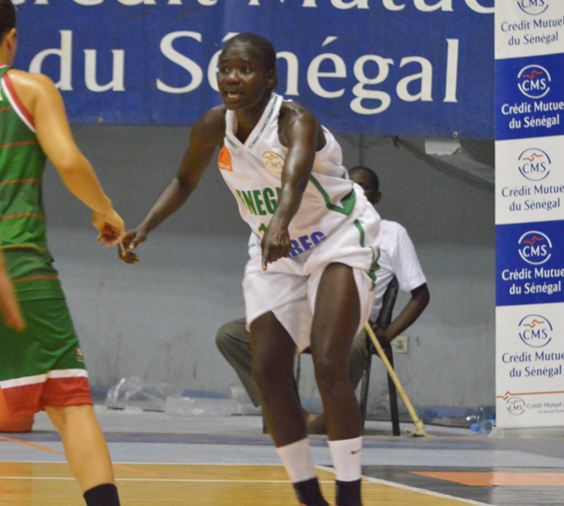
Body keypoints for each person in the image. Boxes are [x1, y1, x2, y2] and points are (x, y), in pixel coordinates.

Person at [120, 33, 380, 506]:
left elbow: (295, 176)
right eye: (224, 69)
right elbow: (183, 180)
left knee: (327, 363)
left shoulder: (294, 120)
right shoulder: (212, 126)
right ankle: (308, 496)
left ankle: (349, 496)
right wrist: (144, 227)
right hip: (274, 248)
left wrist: (280, 221)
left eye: (243, 69)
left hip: (336, 236)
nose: (230, 78)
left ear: (270, 77)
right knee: (266, 368)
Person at [0, 2, 124, 504]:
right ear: (10, 39)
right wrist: (104, 210)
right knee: (69, 404)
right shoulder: (28, 89)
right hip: (18, 263)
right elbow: (69, 161)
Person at [216, 166, 430, 434]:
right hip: (304, 314)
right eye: (346, 185)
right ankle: (288, 408)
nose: (352, 191)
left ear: (376, 197)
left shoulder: (392, 233)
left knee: (351, 348)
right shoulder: (320, 226)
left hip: (353, 322)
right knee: (231, 335)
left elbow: (420, 295)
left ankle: (333, 411)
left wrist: (388, 333)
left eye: (361, 187)